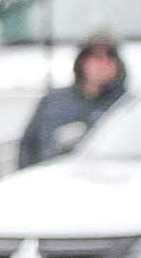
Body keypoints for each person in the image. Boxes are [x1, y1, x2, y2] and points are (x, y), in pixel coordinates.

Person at [17, 32, 128, 168]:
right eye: (95, 56)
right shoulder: (53, 101)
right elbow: (28, 146)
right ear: (81, 61)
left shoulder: (126, 106)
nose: (103, 63)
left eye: (110, 56)